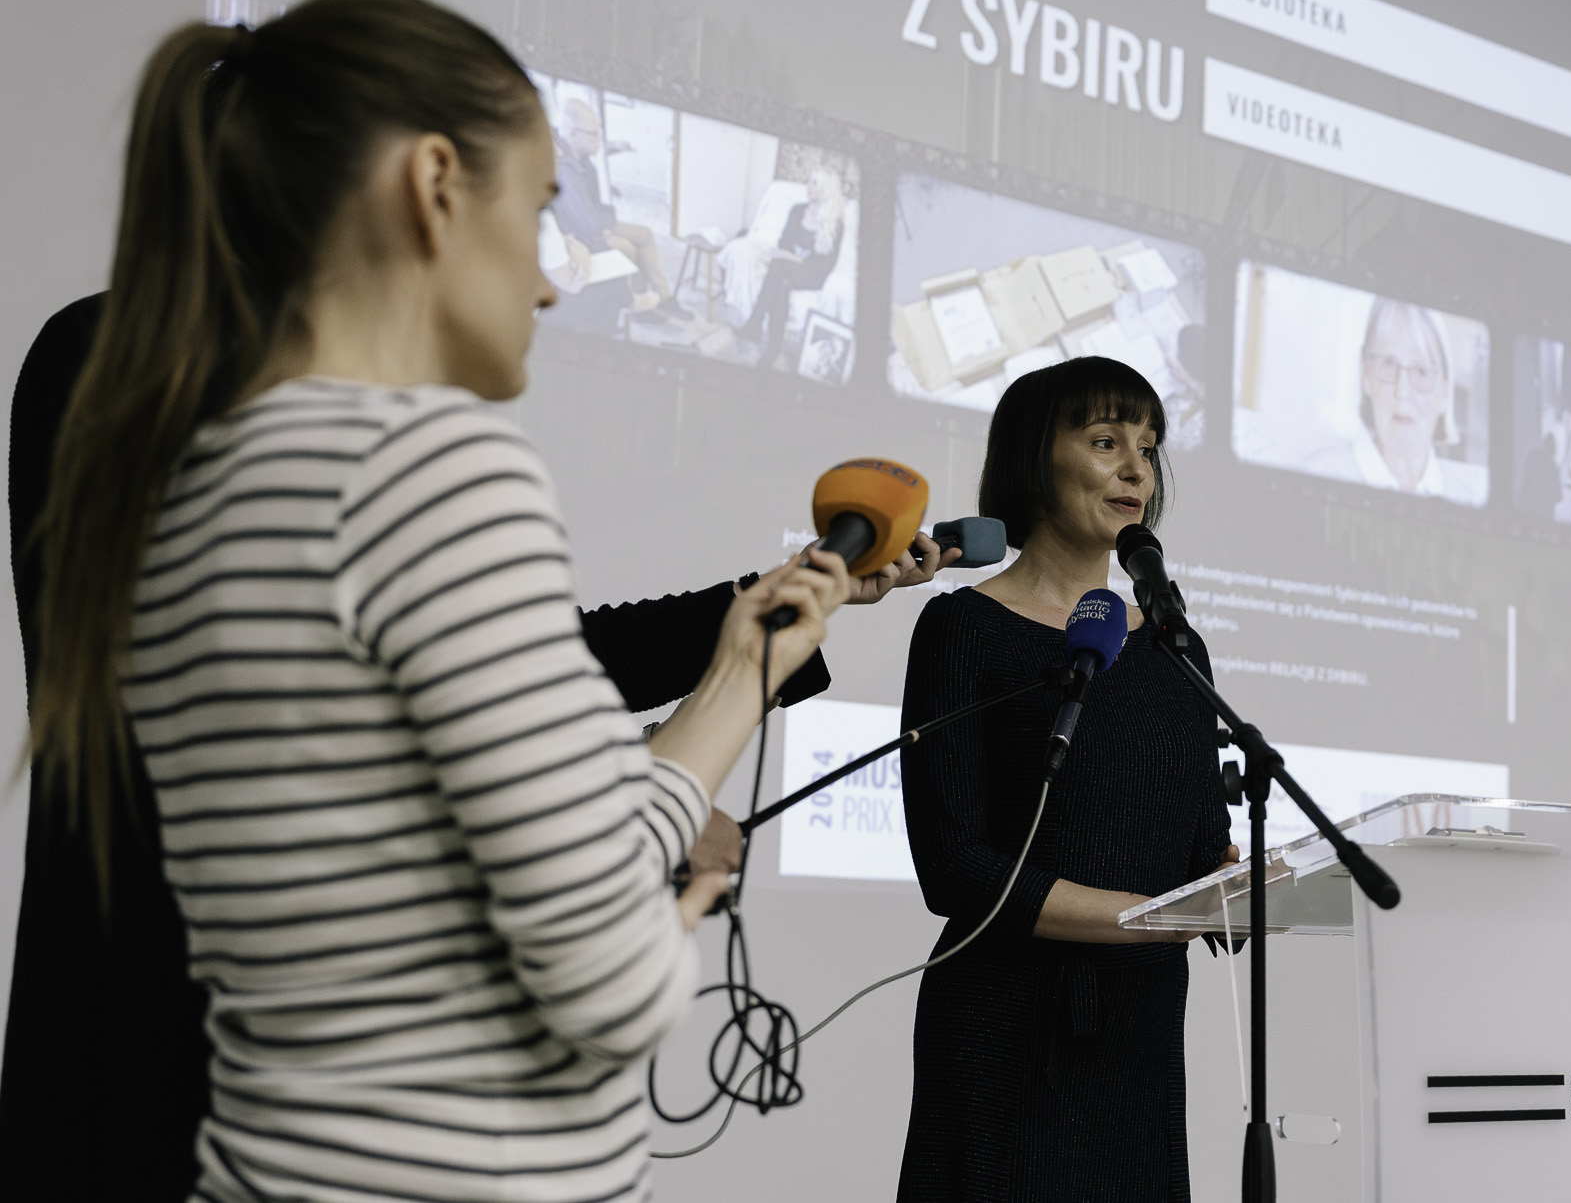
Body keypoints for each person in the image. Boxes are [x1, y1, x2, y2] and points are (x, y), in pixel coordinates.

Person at [20, 0, 857, 1203]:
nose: (552, 284)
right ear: (430, 185)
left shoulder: (206, 476)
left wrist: (739, 675)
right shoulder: (431, 469)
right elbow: (611, 983)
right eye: (539, 209)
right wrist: (678, 898)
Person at [1, 288, 953, 1201]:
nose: (547, 284)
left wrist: (785, 607)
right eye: (532, 211)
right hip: (162, 1068)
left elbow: (512, 669)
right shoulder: (165, 368)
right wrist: (640, 787)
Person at [896, 356, 1237, 1203]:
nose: (1136, 470)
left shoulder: (1176, 647)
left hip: (1140, 1031)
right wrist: (1145, 919)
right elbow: (954, 867)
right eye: (1105, 441)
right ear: (1034, 458)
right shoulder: (963, 628)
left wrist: (1236, 884)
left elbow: (1202, 850)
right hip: (1002, 1026)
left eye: (1148, 448)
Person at [1301, 295, 1487, 507]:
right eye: (1389, 364)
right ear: (1366, 376)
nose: (1402, 391)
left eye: (1421, 371)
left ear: (1444, 393)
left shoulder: (1470, 499)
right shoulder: (1319, 476)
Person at [544, 95, 668, 331]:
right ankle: (633, 303)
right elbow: (588, 225)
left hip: (595, 225)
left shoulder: (580, 157)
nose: (599, 139)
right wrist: (602, 234)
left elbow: (592, 208)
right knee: (627, 249)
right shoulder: (565, 170)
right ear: (572, 134)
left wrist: (606, 222)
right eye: (593, 134)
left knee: (644, 234)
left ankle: (662, 297)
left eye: (598, 132)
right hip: (586, 233)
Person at [733, 166, 846, 366]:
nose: (808, 187)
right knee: (783, 283)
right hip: (789, 269)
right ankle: (774, 347)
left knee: (779, 266)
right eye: (809, 182)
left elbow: (825, 265)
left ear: (825, 189)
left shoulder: (835, 224)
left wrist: (793, 258)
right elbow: (784, 242)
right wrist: (787, 255)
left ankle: (755, 324)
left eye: (814, 183)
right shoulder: (797, 210)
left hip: (812, 275)